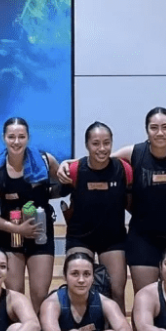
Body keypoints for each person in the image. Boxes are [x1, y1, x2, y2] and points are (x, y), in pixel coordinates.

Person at [58, 107, 166, 292]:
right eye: (154, 127)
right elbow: (98, 159)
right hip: (142, 238)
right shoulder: (134, 153)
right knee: (144, 295)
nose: (160, 132)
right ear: (146, 129)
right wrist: (69, 163)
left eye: (165, 127)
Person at [0, 117, 60, 312]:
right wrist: (17, 228)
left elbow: (62, 185)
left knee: (40, 294)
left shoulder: (45, 161)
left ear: (28, 138)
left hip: (40, 235)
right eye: (12, 137)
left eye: (21, 137)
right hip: (10, 236)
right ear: (4, 138)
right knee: (14, 294)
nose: (16, 142)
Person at [62, 122, 132, 310]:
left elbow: (133, 201)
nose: (102, 148)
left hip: (113, 239)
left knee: (117, 290)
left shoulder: (123, 170)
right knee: (79, 289)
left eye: (106, 143)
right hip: (80, 238)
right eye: (95, 143)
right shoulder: (75, 170)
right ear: (87, 145)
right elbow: (52, 191)